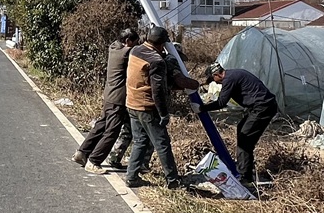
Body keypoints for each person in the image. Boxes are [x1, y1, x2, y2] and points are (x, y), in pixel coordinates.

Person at [123, 26, 199, 190]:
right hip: (147, 107)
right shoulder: (156, 61)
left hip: (132, 103)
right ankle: (173, 181)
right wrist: (163, 113)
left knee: (140, 141)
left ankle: (131, 177)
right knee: (162, 144)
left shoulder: (135, 50)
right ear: (162, 44)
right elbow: (157, 90)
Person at [198, 63, 278, 188]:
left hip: (262, 107)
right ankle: (245, 167)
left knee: (244, 140)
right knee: (242, 130)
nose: (215, 83)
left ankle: (245, 177)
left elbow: (221, 102)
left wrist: (202, 108)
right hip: (258, 107)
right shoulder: (233, 74)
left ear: (217, 74)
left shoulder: (229, 80)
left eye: (213, 79)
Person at [71, 28, 139, 173]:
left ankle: (82, 152)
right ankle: (94, 161)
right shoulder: (126, 53)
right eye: (135, 42)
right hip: (118, 99)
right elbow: (140, 53)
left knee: (100, 126)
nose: (136, 45)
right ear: (128, 41)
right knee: (112, 131)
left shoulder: (113, 47)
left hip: (109, 96)